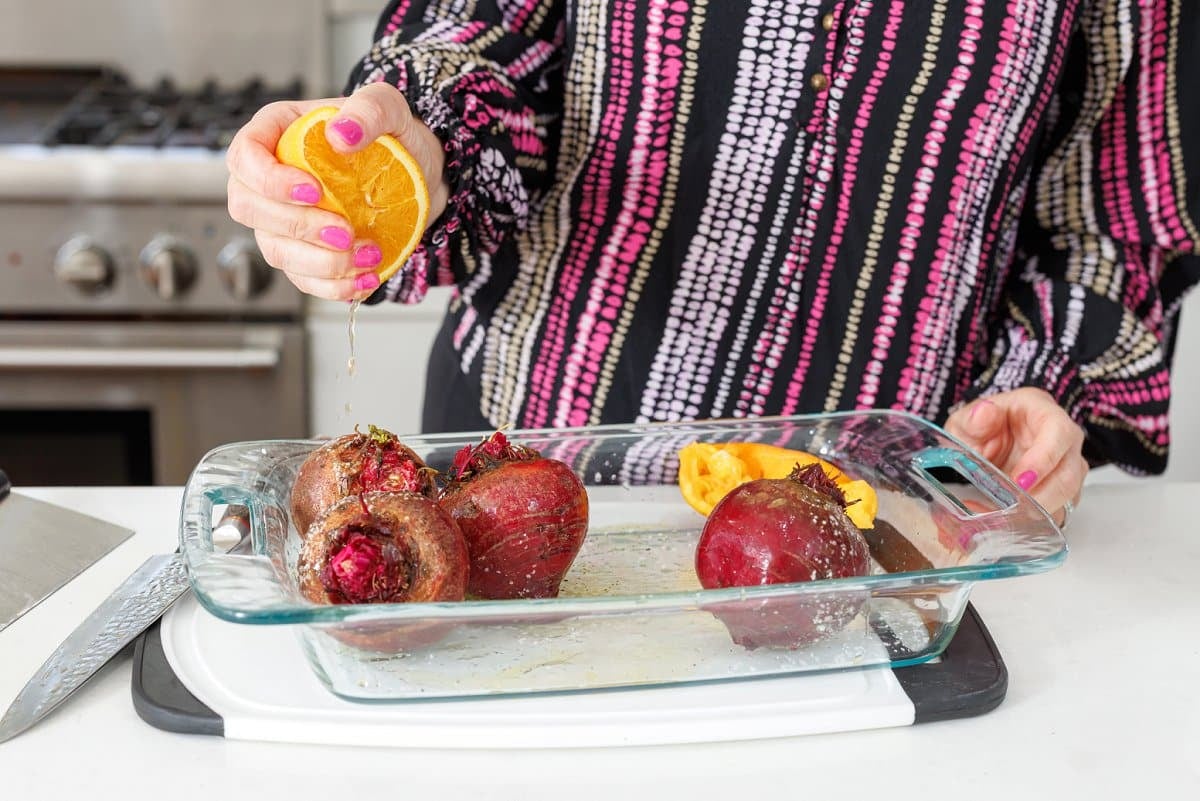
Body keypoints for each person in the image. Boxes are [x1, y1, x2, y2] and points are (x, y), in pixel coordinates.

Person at [225, 1, 1199, 529]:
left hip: (880, 540)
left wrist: (1045, 390)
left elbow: (1115, 215)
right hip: (522, 505)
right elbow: (486, 42)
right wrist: (411, 147)